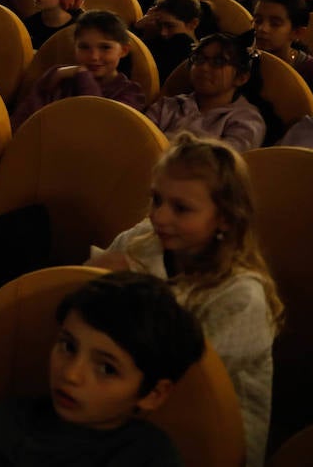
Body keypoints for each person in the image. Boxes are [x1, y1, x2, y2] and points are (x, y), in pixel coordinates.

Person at [89, 133, 283, 467]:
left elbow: (188, 387)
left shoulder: (241, 296)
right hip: (112, 397)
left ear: (224, 217)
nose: (159, 217)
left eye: (181, 208)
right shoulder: (141, 241)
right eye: (156, 200)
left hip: (202, 435)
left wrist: (131, 290)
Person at [0, 271, 205, 467]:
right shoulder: (4, 423)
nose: (70, 374)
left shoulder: (150, 456)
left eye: (106, 368)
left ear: (153, 394)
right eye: (68, 347)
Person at [13, 10, 145, 128]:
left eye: (105, 47)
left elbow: (96, 124)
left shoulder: (130, 94)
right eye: (84, 47)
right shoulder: (59, 75)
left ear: (123, 50)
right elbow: (24, 122)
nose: (94, 57)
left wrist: (83, 76)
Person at [143, 34, 267, 152]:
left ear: (241, 78)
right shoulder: (167, 106)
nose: (204, 68)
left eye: (218, 62)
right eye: (199, 59)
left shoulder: (246, 120)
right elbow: (139, 141)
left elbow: (222, 162)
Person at [248, 0, 313, 109]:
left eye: (275, 24)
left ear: (297, 32)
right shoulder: (243, 58)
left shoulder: (312, 73)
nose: (262, 29)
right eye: (258, 21)